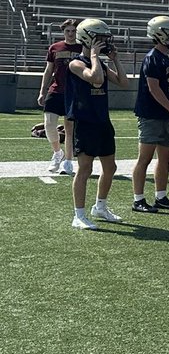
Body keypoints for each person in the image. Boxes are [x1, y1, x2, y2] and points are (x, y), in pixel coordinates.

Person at [65, 19, 128, 229]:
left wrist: (115, 60)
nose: (103, 42)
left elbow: (124, 82)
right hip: (86, 122)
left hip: (102, 121)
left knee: (110, 167)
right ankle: (78, 215)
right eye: (99, 38)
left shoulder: (99, 63)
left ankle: (100, 206)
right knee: (85, 169)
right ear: (87, 39)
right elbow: (95, 78)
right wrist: (94, 56)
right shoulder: (76, 63)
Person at [130, 16, 169, 214]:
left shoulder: (164, 57)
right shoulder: (153, 57)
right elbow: (154, 88)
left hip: (163, 115)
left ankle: (161, 197)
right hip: (152, 114)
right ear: (159, 34)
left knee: (165, 158)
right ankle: (138, 199)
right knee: (144, 158)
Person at [37, 19, 81, 175]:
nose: (70, 34)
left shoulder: (83, 48)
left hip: (74, 93)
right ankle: (57, 152)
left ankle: (68, 162)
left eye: (73, 31)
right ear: (63, 32)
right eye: (68, 31)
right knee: (49, 124)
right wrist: (42, 91)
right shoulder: (55, 47)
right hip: (55, 90)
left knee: (69, 129)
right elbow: (48, 71)